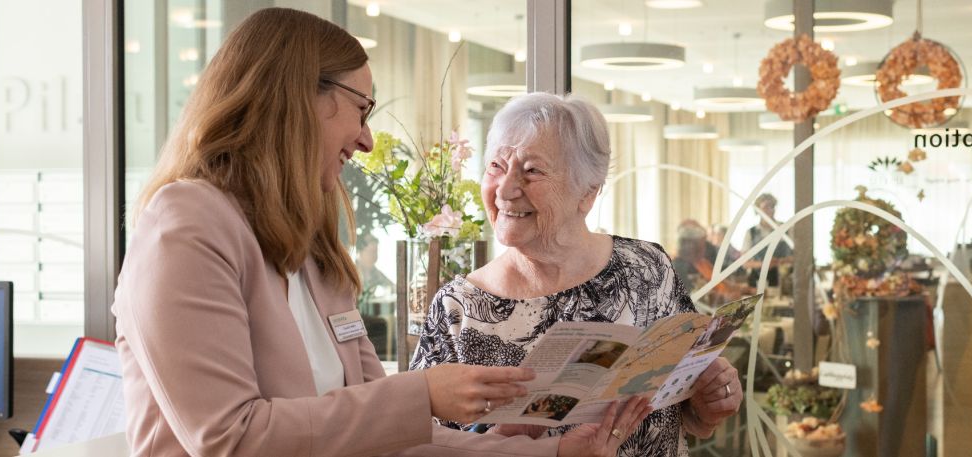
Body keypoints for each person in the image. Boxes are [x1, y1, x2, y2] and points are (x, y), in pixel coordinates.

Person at [112, 9, 646, 457]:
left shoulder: (311, 247)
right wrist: (422, 396)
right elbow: (229, 437)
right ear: (296, 97)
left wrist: (550, 450)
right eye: (362, 110)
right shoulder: (185, 223)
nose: (367, 140)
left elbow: (387, 434)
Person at [412, 93, 743, 457]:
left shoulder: (648, 268)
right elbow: (416, 442)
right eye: (496, 165)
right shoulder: (459, 308)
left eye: (532, 170)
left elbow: (685, 411)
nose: (506, 189)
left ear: (587, 193)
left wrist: (710, 401)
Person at [743, 193, 792, 287]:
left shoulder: (785, 229)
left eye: (772, 206)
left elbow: (795, 256)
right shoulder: (751, 232)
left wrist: (779, 261)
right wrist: (764, 264)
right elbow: (745, 262)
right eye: (765, 207)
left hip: (781, 282)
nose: (769, 210)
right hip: (757, 282)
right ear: (757, 210)